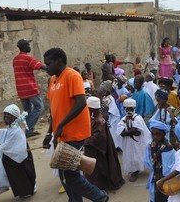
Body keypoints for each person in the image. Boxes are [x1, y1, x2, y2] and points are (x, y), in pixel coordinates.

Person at [42, 47, 108, 202]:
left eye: (49, 63)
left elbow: (80, 103)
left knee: (70, 176)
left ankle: (100, 197)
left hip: (74, 133)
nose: (46, 67)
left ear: (59, 61)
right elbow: (54, 110)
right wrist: (49, 132)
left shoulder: (72, 75)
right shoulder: (52, 80)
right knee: (64, 175)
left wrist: (61, 125)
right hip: (61, 134)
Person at [0, 104, 36, 198]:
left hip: (19, 156)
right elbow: (8, 132)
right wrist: (0, 131)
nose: (6, 117)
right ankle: (7, 186)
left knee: (25, 172)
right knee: (17, 174)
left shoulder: (16, 130)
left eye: (8, 115)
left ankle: (30, 188)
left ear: (15, 117)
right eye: (5, 115)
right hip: (17, 154)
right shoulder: (13, 126)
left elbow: (8, 144)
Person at [84, 97, 125, 190]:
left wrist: (86, 141)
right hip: (97, 148)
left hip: (98, 150)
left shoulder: (99, 121)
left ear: (93, 109)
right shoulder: (96, 119)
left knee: (99, 169)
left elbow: (98, 137)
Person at [13, 39, 46, 137]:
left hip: (21, 89)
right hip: (30, 88)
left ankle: (27, 130)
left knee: (27, 111)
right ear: (25, 47)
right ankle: (29, 130)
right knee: (39, 107)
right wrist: (51, 69)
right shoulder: (28, 58)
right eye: (28, 45)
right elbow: (40, 66)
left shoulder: (15, 59)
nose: (29, 47)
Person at [117, 99, 152, 182]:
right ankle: (133, 171)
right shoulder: (123, 120)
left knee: (138, 155)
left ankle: (136, 171)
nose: (129, 111)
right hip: (128, 143)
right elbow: (122, 132)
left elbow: (138, 130)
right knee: (129, 155)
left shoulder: (138, 118)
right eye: (127, 109)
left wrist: (129, 132)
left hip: (137, 142)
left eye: (131, 109)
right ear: (124, 109)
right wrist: (132, 131)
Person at [144, 120, 176, 202]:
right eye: (153, 134)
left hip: (165, 179)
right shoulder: (151, 144)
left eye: (157, 134)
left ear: (164, 134)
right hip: (155, 176)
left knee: (164, 197)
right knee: (154, 197)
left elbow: (168, 169)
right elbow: (148, 161)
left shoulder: (168, 148)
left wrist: (162, 179)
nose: (155, 137)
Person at [100, 80, 122, 149]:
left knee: (113, 133)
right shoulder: (105, 98)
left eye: (102, 90)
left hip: (112, 119)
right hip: (109, 118)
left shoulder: (109, 99)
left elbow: (110, 110)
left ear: (106, 91)